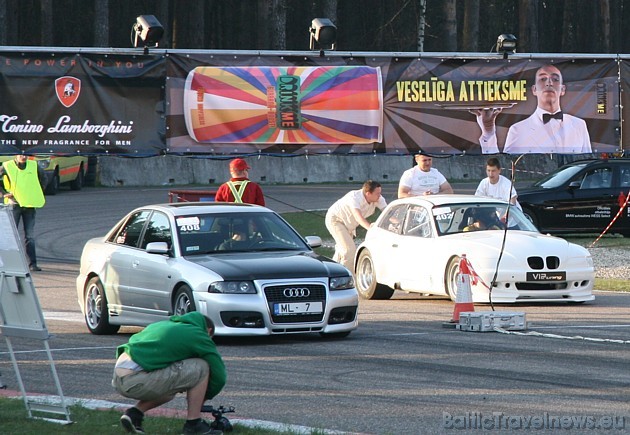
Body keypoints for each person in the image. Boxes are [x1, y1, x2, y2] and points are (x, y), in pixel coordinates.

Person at [112, 312, 226, 435]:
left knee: (170, 391)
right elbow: (219, 375)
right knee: (202, 366)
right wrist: (204, 397)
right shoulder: (197, 334)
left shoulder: (162, 325)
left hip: (119, 378)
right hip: (136, 380)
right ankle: (194, 424)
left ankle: (134, 414)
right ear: (208, 331)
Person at [472, 64, 592, 154]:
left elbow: (588, 163)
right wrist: (488, 133)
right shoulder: (518, 130)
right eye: (543, 79)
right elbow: (503, 167)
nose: (549, 83)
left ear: (563, 89)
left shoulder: (579, 125)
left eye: (555, 79)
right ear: (534, 89)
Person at [325, 180, 387, 272]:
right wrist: (371, 229)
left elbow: (388, 214)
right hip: (336, 220)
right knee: (349, 251)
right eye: (377, 193)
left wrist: (398, 222)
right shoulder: (354, 197)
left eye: (380, 193)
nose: (380, 195)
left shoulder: (378, 199)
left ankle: (331, 272)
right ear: (368, 193)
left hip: (349, 225)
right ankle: (347, 278)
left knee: (341, 251)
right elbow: (359, 218)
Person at [0, 154, 46, 272]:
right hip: (13, 204)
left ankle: (32, 264)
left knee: (29, 236)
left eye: (25, 154)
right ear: (16, 155)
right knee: (10, 235)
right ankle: (8, 263)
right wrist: (4, 194)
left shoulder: (34, 165)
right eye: (21, 154)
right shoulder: (7, 166)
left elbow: (44, 179)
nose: (24, 157)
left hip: (29, 205)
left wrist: (37, 192)